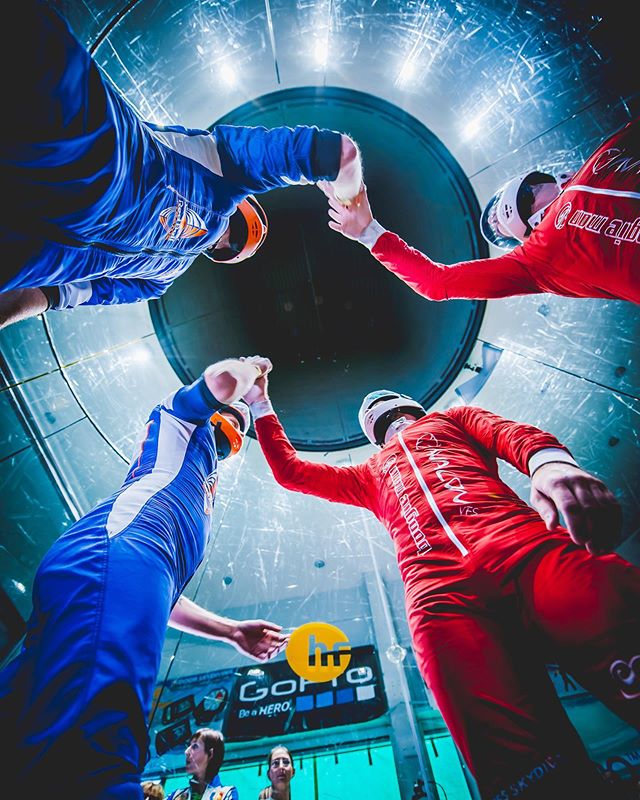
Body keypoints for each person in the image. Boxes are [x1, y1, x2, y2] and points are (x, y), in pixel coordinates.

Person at [243, 369, 640, 799]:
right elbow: (291, 472)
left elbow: (508, 433)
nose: (386, 417)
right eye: (380, 417)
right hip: (441, 598)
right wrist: (259, 403)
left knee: (615, 609)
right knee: (521, 770)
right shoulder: (368, 474)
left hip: (520, 544)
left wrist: (549, 463)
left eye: (386, 410)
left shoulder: (453, 420)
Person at [0, 355, 286, 798]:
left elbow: (159, 590)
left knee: (20, 721)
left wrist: (229, 631)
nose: (237, 429)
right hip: (118, 554)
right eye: (231, 417)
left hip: (120, 573)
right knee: (96, 759)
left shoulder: (202, 485)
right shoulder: (178, 423)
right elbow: (224, 379)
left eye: (241, 427)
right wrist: (251, 376)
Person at [0, 1, 363, 329]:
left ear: (219, 255)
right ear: (241, 206)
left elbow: (53, 296)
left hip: (38, 252)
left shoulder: (160, 280)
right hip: (97, 163)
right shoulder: (224, 172)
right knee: (32, 55)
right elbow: (334, 152)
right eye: (234, 231)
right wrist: (350, 198)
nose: (223, 237)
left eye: (229, 245)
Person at [319, 115, 639, 304]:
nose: (539, 201)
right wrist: (368, 233)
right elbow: (436, 282)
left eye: (529, 194)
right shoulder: (538, 262)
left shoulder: (604, 155)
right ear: (528, 234)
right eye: (527, 209)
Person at [166, 729, 237, 800]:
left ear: (210, 754)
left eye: (194, 747)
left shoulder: (226, 793)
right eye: (188, 746)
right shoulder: (176, 795)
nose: (186, 752)